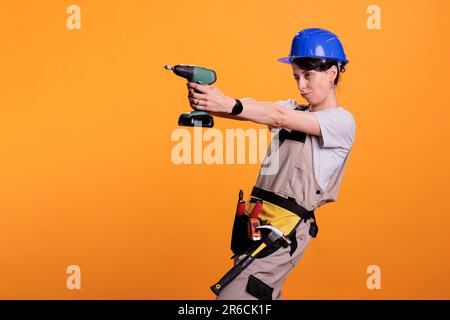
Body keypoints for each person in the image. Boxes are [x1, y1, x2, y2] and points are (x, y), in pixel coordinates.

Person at [187, 28, 356, 300]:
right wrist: (209, 100)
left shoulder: (341, 122)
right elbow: (255, 108)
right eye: (296, 77)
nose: (301, 85)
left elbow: (277, 116)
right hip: (258, 224)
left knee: (236, 299)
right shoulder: (292, 109)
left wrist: (228, 104)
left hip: (284, 231)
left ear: (332, 72)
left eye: (308, 76)